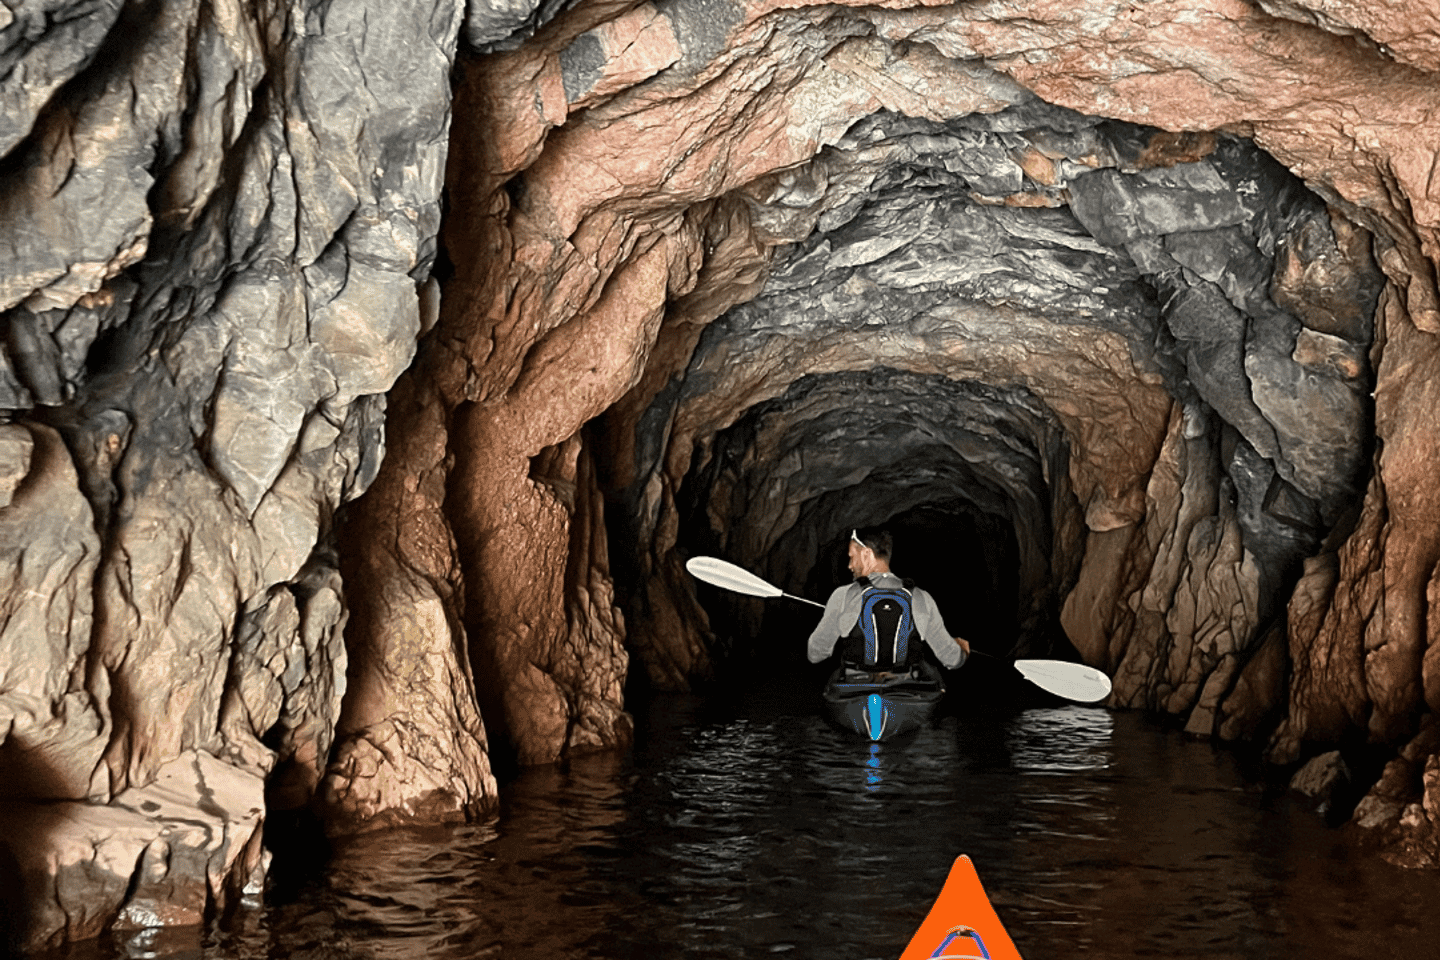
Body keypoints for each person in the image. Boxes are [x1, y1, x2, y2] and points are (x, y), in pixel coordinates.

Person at [807, 527, 971, 672]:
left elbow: (815, 654)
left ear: (866, 554)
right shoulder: (921, 597)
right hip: (903, 690)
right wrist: (961, 651)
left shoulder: (842, 596)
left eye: (852, 557)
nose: (849, 565)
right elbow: (951, 659)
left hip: (856, 688)